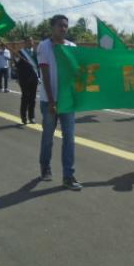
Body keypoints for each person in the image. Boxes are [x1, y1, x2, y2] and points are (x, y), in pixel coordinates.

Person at [37, 15, 81, 189]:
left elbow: (77, 72)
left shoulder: (72, 47)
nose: (63, 29)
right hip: (50, 101)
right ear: (52, 27)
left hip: (67, 101)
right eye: (60, 25)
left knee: (69, 139)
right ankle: (45, 166)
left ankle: (68, 176)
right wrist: (52, 100)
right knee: (48, 137)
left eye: (65, 26)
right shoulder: (44, 46)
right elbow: (45, 74)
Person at [15, 37, 39, 125]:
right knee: (25, 97)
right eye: (28, 41)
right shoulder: (20, 52)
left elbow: (38, 65)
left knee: (33, 98)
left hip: (34, 78)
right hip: (24, 78)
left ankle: (32, 117)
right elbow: (17, 65)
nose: (30, 42)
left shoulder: (35, 53)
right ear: (24, 43)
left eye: (31, 41)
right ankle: (24, 117)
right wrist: (17, 58)